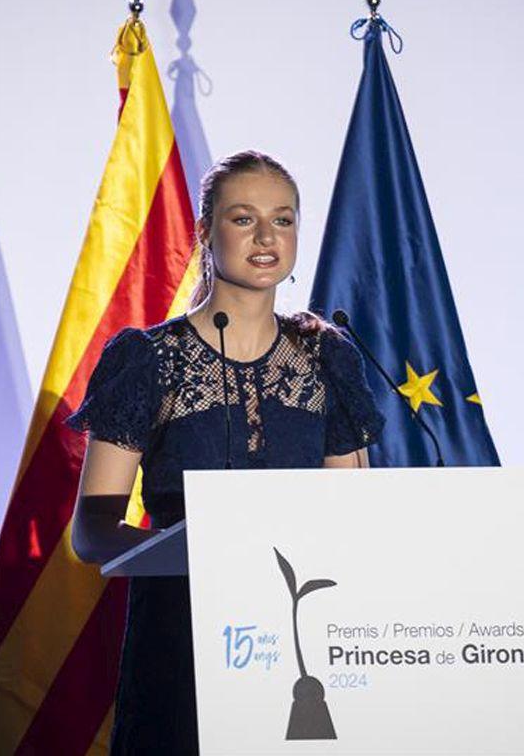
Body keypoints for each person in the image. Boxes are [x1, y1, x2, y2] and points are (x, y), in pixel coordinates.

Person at [65, 149, 385, 754]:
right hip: (180, 643)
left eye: (283, 219)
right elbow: (93, 534)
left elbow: (353, 523)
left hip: (301, 649)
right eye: (243, 218)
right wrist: (203, 555)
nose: (267, 236)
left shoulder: (328, 360)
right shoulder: (147, 360)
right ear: (204, 232)